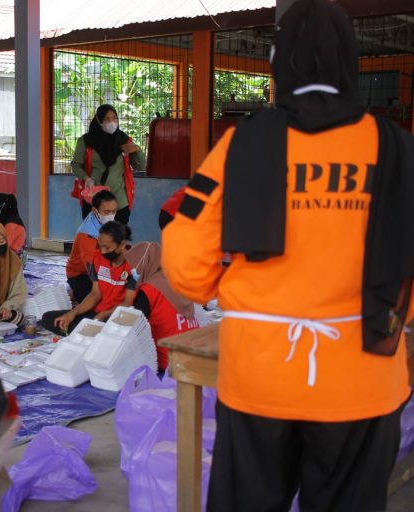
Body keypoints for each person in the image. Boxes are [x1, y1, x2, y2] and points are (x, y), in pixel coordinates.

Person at [162, 1, 413, 510]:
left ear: (278, 63)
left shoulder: (239, 146)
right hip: (365, 381)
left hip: (260, 377)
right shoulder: (400, 150)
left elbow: (187, 265)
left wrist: (230, 293)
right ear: (351, 62)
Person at [42, 221, 136, 336]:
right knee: (48, 318)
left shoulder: (134, 266)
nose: (103, 252)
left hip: (116, 316)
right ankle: (86, 333)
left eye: (107, 248)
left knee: (89, 329)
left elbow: (127, 303)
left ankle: (87, 333)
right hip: (96, 313)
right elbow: (95, 293)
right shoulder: (97, 259)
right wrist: (73, 313)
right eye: (100, 246)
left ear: (122, 245)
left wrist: (104, 315)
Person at [125, 242, 197, 376]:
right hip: (195, 354)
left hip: (169, 360)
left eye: (135, 267)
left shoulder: (149, 290)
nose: (133, 271)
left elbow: (133, 327)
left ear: (145, 264)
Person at [71, 104, 146, 224]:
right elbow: (75, 164)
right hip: (94, 201)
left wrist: (137, 150)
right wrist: (86, 178)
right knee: (94, 238)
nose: (112, 122)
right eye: (107, 119)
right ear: (99, 121)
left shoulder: (124, 141)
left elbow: (141, 166)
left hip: (119, 202)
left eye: (114, 118)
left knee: (117, 237)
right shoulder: (86, 141)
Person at [66, 189, 118, 303]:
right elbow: (90, 267)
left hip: (99, 266)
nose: (111, 215)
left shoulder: (102, 222)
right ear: (95, 210)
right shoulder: (87, 234)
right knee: (97, 302)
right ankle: (73, 292)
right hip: (80, 274)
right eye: (106, 212)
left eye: (114, 211)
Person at [0, 192, 26, 257]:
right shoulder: (8, 221)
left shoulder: (12, 224)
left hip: (12, 260)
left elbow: (3, 246)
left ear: (2, 206)